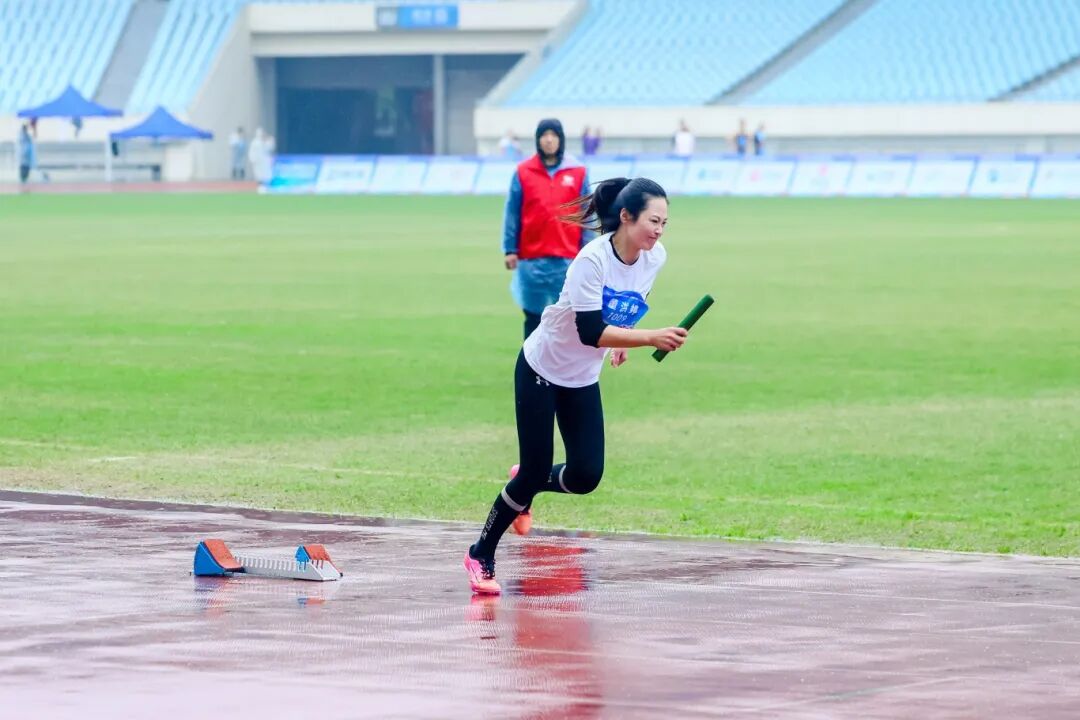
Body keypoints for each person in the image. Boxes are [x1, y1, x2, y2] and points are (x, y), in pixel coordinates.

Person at [466, 177, 688, 595]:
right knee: (534, 470)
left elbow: (625, 304)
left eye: (664, 223)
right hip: (542, 367)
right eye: (653, 221)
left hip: (581, 376)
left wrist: (625, 337)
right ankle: (480, 554)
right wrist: (649, 338)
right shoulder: (592, 260)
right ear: (626, 217)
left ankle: (526, 482)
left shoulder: (654, 257)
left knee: (586, 475)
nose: (659, 231)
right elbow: (589, 331)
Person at [503, 118, 591, 340]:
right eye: (544, 135)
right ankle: (530, 361)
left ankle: (564, 361)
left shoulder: (578, 171)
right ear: (537, 139)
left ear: (561, 139)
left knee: (568, 319)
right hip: (531, 258)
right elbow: (513, 212)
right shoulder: (523, 171)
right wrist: (510, 249)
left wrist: (588, 251)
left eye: (554, 135)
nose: (549, 140)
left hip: (568, 257)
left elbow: (587, 213)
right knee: (533, 319)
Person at [18, 123, 35, 187]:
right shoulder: (21, 136)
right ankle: (23, 183)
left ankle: (25, 183)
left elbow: (30, 143)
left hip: (27, 157)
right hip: (23, 157)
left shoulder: (27, 136)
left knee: (26, 171)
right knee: (23, 172)